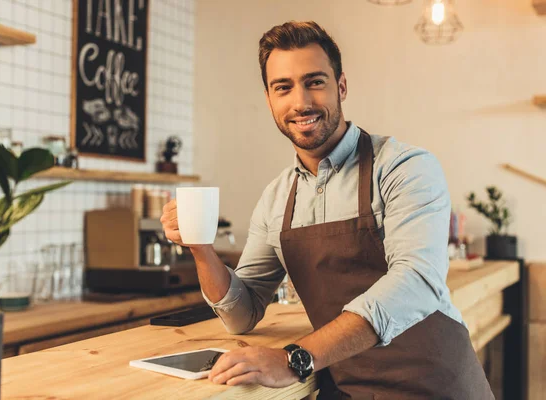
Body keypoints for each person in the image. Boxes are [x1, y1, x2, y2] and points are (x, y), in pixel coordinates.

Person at [161, 21, 494, 400]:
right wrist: (200, 247)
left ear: (342, 86)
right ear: (269, 99)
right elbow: (242, 313)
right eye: (282, 87)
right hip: (348, 387)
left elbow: (417, 282)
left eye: (314, 81)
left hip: (433, 386)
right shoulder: (276, 199)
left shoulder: (404, 167)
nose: (300, 102)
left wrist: (294, 359)